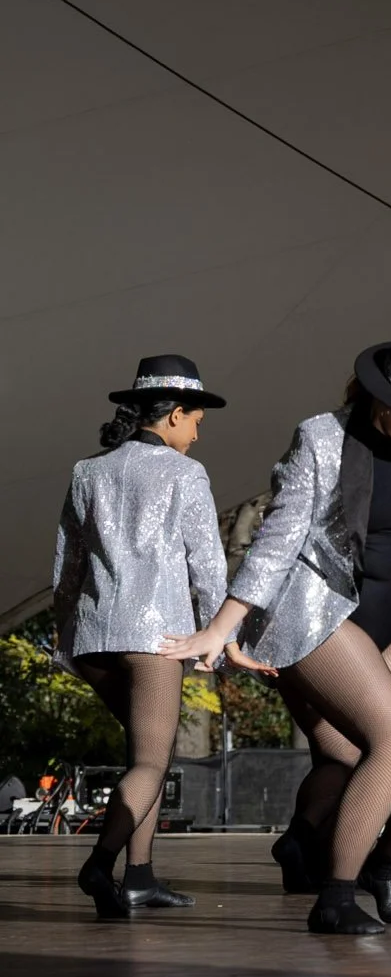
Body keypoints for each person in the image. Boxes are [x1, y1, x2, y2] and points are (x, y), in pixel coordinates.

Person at [165, 325, 391, 933]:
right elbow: (278, 539)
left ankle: (380, 868)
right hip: (319, 613)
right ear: (386, 400)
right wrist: (220, 626)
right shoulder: (322, 438)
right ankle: (333, 899)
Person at [52, 355, 229, 918]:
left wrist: (64, 641)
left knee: (140, 759)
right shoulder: (186, 474)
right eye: (197, 419)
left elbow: (66, 569)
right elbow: (208, 564)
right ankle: (100, 865)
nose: (199, 431)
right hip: (158, 637)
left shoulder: (88, 472)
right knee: (153, 763)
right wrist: (217, 635)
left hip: (95, 639)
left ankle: (141, 877)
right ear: (175, 414)